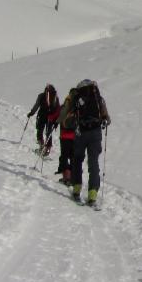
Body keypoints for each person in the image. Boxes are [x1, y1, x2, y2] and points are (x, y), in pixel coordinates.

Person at [60, 78, 111, 206]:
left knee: (77, 160)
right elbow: (107, 118)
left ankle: (76, 189)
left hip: (80, 132)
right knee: (93, 163)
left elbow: (66, 118)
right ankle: (92, 194)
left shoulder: (77, 96)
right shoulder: (98, 97)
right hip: (95, 133)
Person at [54, 87, 78, 185]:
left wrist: (56, 122)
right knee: (73, 156)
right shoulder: (80, 103)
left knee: (64, 155)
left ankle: (66, 177)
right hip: (76, 135)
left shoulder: (68, 101)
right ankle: (73, 177)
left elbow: (62, 114)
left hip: (65, 134)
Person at [27, 84, 60, 154]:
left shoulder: (41, 96)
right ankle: (48, 148)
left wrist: (31, 113)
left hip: (42, 115)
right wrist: (56, 120)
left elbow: (36, 105)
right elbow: (58, 109)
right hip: (51, 118)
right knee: (49, 132)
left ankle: (41, 146)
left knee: (40, 130)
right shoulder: (55, 98)